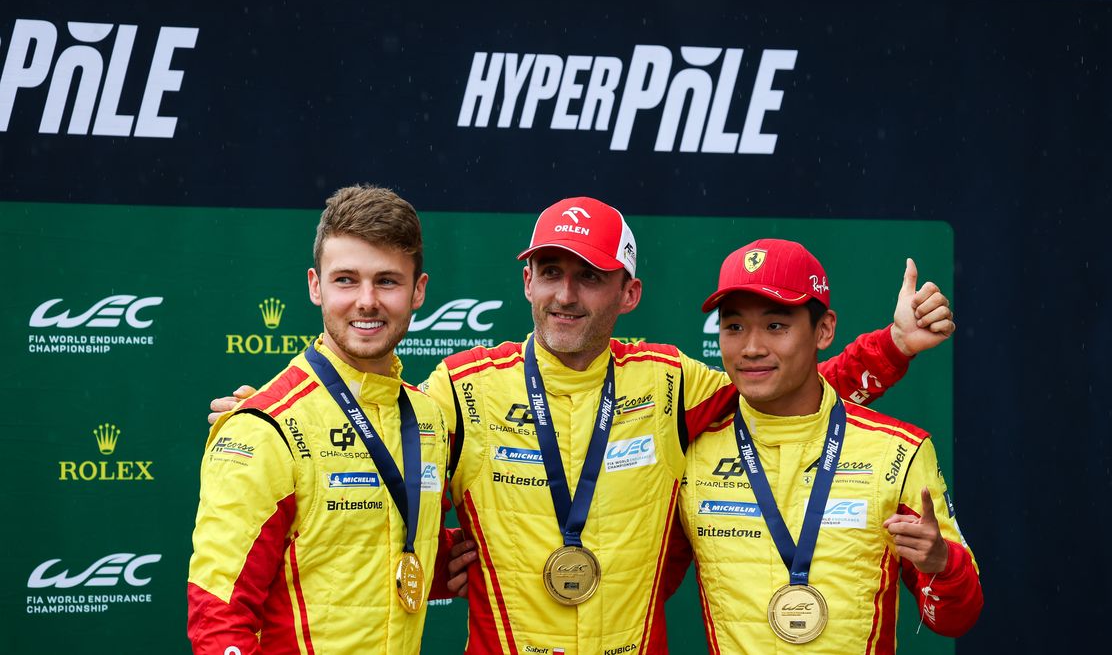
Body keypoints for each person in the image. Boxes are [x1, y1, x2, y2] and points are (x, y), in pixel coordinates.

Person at [208, 196, 955, 654]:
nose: (567, 294)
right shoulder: (460, 392)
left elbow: (787, 392)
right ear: (526, 279)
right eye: (551, 271)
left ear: (628, 292)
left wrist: (888, 349)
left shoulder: (669, 383)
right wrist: (272, 411)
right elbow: (373, 439)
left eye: (590, 275)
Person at [674, 238, 982, 653]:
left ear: (824, 330)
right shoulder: (689, 450)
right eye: (734, 327)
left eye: (775, 325)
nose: (751, 348)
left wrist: (943, 565)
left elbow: (953, 620)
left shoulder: (899, 451)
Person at [187, 186, 451, 654]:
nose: (366, 301)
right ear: (315, 286)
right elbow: (220, 610)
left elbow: (375, 550)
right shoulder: (263, 427)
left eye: (387, 281)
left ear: (419, 290)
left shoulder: (428, 417)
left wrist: (449, 559)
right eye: (346, 279)